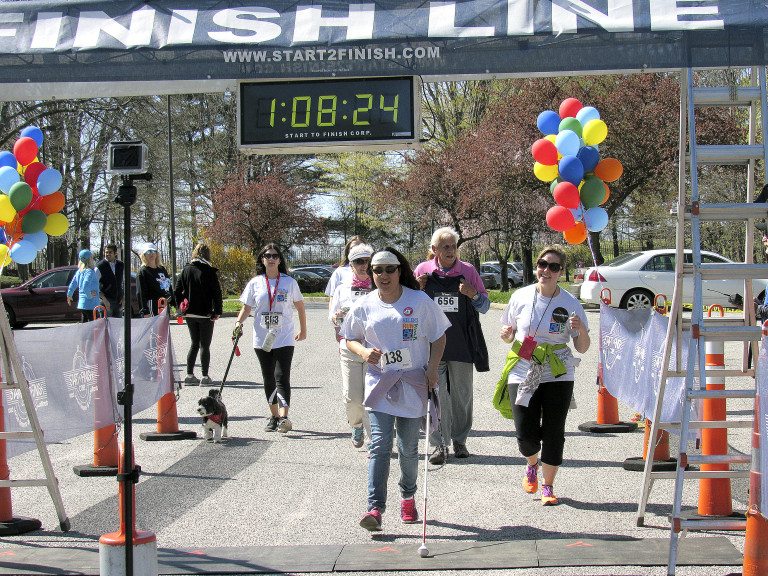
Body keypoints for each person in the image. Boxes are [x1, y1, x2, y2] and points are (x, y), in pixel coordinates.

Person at [341, 248, 449, 532]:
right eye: (377, 270)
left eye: (390, 269)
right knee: (378, 445)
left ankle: (408, 496)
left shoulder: (419, 301)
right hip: (381, 385)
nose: (383, 275)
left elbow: (439, 337)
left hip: (413, 384)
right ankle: (374, 508)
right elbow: (349, 337)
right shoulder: (364, 304)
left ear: (400, 270)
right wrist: (364, 352)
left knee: (409, 448)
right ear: (370, 274)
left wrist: (432, 369)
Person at [497, 245, 590, 506]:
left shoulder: (570, 304)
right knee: (525, 433)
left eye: (553, 267)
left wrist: (580, 329)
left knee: (553, 431)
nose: (545, 270)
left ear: (561, 272)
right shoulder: (520, 296)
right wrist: (506, 335)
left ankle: (548, 486)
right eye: (542, 264)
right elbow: (507, 334)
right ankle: (531, 463)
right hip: (523, 369)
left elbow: (582, 347)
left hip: (558, 372)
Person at [414, 227, 490, 465]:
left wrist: (473, 294)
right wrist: (416, 288)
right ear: (434, 250)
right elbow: (408, 305)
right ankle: (438, 445)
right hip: (431, 345)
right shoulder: (423, 270)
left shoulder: (468, 271)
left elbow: (485, 306)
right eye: (444, 246)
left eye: (453, 246)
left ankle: (460, 440)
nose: (450, 250)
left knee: (462, 396)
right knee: (435, 395)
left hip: (462, 344)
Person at [234, 243, 307, 434]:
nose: (272, 258)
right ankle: (273, 416)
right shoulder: (255, 283)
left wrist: (303, 329)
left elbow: (299, 306)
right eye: (268, 255)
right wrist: (238, 323)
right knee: (268, 377)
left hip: (284, 337)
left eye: (275, 256)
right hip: (262, 337)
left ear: (280, 260)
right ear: (262, 259)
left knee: (282, 376)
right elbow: (247, 308)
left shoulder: (289, 282)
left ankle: (284, 417)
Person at [328, 242, 375, 449]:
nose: (364, 265)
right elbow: (332, 316)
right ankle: (356, 425)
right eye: (358, 261)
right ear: (351, 264)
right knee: (353, 397)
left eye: (367, 261)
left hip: (375, 349)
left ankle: (375, 441)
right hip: (350, 348)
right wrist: (337, 316)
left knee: (373, 396)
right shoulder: (342, 289)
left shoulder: (379, 287)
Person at [174, 242, 223, 387]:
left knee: (194, 343)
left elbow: (176, 291)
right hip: (205, 313)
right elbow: (217, 294)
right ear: (208, 255)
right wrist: (217, 311)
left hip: (189, 313)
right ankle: (205, 376)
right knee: (205, 345)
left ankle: (189, 375)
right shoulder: (209, 271)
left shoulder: (186, 269)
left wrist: (180, 308)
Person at [137, 243, 174, 316]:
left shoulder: (162, 269)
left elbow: (169, 288)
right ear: (144, 255)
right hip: (152, 305)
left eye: (153, 251)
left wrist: (173, 306)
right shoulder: (143, 271)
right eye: (148, 252)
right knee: (155, 327)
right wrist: (145, 311)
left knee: (164, 327)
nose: (151, 254)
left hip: (165, 304)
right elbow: (141, 293)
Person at [67, 249, 104, 322]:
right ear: (89, 259)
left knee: (84, 326)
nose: (93, 259)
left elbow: (72, 284)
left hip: (82, 304)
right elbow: (85, 286)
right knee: (93, 327)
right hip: (91, 304)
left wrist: (69, 295)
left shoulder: (79, 272)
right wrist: (90, 295)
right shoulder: (89, 272)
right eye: (92, 258)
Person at [97, 243, 124, 318]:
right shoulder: (100, 266)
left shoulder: (121, 265)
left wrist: (123, 297)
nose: (108, 254)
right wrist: (104, 299)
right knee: (106, 326)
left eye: (110, 252)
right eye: (106, 252)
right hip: (106, 300)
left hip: (119, 301)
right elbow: (95, 285)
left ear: (115, 253)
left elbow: (124, 282)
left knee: (117, 327)